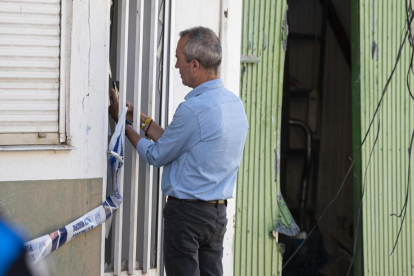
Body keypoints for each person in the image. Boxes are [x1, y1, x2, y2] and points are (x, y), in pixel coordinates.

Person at [109, 26, 248, 276]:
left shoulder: (193, 109)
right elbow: (173, 141)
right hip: (216, 215)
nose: (175, 66)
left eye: (178, 59)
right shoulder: (235, 105)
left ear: (195, 65)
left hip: (188, 215)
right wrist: (139, 119)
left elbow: (157, 154)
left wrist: (122, 125)